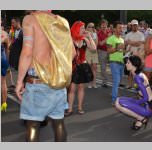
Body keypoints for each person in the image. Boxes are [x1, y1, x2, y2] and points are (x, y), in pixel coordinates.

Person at [15, 11, 75, 142]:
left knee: (32, 125)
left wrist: (19, 81)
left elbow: (27, 52)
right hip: (58, 83)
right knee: (59, 124)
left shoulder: (30, 19)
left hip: (37, 81)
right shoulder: (63, 21)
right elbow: (72, 53)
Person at [115, 56, 152, 130]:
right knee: (118, 99)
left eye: (128, 63)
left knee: (118, 104)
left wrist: (136, 102)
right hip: (147, 104)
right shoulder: (137, 74)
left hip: (148, 107)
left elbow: (146, 97)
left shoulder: (138, 77)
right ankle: (140, 119)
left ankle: (141, 118)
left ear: (134, 65)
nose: (126, 64)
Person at [65, 21, 96, 116]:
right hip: (73, 66)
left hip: (82, 65)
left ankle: (79, 107)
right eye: (82, 28)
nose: (84, 30)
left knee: (81, 88)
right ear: (76, 29)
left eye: (84, 28)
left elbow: (93, 48)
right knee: (72, 89)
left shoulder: (84, 39)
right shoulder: (70, 39)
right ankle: (70, 109)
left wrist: (89, 36)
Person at [106, 21, 125, 105]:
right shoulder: (110, 39)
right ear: (114, 29)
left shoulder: (122, 39)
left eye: (122, 27)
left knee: (119, 80)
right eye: (119, 27)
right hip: (114, 63)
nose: (121, 29)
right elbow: (108, 51)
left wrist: (127, 52)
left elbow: (122, 51)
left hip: (121, 62)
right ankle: (114, 100)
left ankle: (115, 94)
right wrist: (117, 48)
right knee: (116, 81)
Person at [97, 19, 112, 88]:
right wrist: (108, 37)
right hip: (102, 51)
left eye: (105, 25)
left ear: (107, 25)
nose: (104, 26)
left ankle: (117, 81)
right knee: (103, 68)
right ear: (100, 26)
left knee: (113, 67)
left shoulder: (110, 32)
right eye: (102, 25)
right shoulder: (98, 33)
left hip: (110, 51)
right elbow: (100, 43)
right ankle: (105, 82)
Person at [86, 22, 99, 88]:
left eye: (93, 27)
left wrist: (94, 48)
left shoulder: (95, 34)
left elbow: (97, 43)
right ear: (87, 27)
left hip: (94, 51)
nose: (91, 28)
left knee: (94, 67)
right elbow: (84, 43)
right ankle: (89, 83)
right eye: (90, 26)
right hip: (88, 51)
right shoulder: (85, 34)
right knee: (89, 67)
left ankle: (94, 83)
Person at [1, 21, 9, 112]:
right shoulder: (5, 34)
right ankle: (4, 103)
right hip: (3, 58)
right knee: (3, 82)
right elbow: (7, 49)